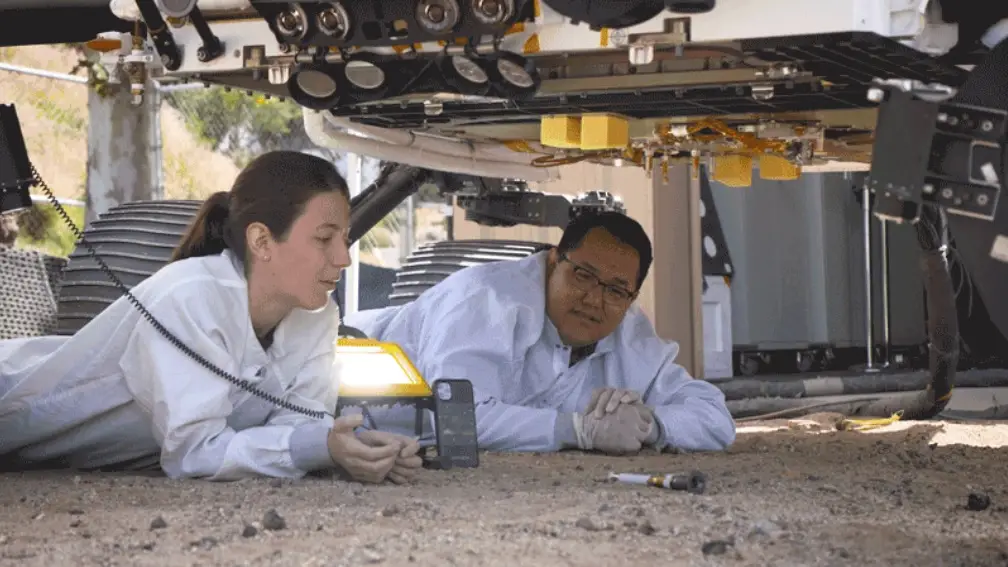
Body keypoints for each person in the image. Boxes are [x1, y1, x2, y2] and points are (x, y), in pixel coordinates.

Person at [0, 151, 422, 483]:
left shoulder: (316, 316)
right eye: (324, 239)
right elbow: (195, 454)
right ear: (262, 240)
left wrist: (352, 447)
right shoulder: (190, 297)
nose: (344, 258)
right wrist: (319, 448)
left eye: (344, 239)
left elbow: (301, 425)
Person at [344, 211, 736, 455]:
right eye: (583, 275)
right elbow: (458, 420)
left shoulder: (630, 333)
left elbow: (716, 418)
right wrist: (579, 430)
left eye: (616, 290)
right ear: (553, 262)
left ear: (631, 295)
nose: (594, 299)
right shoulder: (487, 300)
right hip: (337, 376)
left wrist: (651, 425)